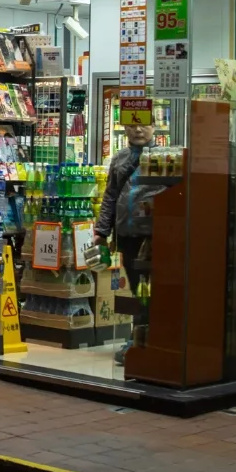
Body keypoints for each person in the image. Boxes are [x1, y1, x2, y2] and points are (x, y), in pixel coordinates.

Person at [93, 122, 163, 366]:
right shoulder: (120, 158)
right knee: (136, 288)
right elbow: (110, 196)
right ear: (124, 129)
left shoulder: (164, 158)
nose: (138, 130)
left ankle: (145, 338)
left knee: (154, 289)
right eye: (132, 125)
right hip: (126, 234)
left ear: (154, 127)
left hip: (154, 236)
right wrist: (102, 231)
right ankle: (139, 337)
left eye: (144, 124)